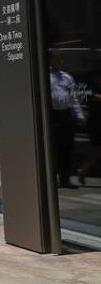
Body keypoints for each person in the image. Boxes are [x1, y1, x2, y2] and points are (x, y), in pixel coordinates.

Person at [50, 51, 85, 189]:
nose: (59, 62)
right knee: (52, 148)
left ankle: (65, 179)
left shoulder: (67, 77)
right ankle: (52, 178)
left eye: (61, 59)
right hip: (51, 115)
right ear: (51, 60)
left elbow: (74, 97)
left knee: (67, 148)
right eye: (56, 59)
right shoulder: (44, 76)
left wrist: (79, 115)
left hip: (65, 115)